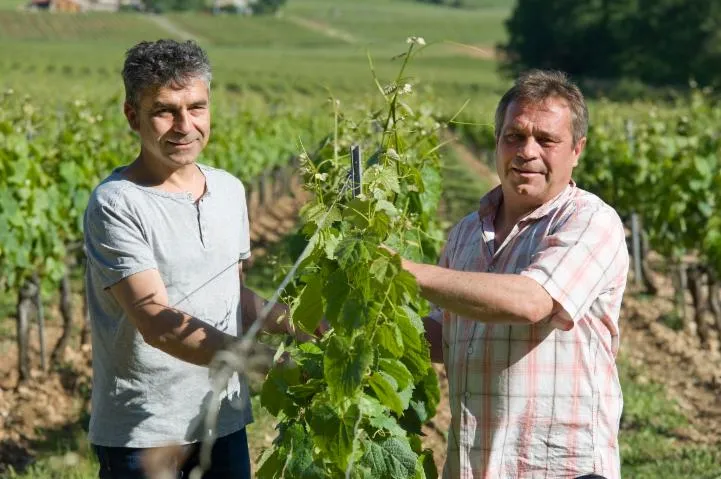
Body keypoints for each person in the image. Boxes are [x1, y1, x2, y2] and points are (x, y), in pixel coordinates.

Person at [400, 70, 629, 478]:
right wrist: (349, 334)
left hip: (559, 467)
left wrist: (403, 270)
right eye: (514, 136)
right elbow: (444, 334)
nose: (527, 151)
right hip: (475, 464)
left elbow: (530, 301)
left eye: (546, 139)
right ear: (496, 143)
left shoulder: (591, 221)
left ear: (577, 149)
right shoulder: (468, 232)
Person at [83, 39, 292, 479]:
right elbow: (157, 323)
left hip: (223, 416)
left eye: (196, 107)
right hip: (147, 430)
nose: (184, 125)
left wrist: (295, 323)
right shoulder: (117, 204)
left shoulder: (230, 190)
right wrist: (268, 362)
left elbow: (230, 295)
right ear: (131, 116)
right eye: (165, 111)